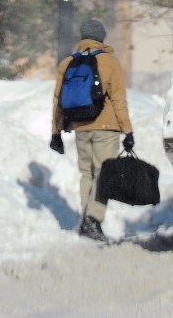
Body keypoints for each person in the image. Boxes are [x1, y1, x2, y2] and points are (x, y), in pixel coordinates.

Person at [49, 18, 134, 242]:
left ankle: (86, 221)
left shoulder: (68, 62)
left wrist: (56, 131)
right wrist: (128, 131)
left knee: (87, 173)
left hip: (80, 126)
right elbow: (118, 99)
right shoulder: (109, 62)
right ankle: (93, 219)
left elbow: (58, 99)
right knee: (104, 173)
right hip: (106, 126)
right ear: (101, 37)